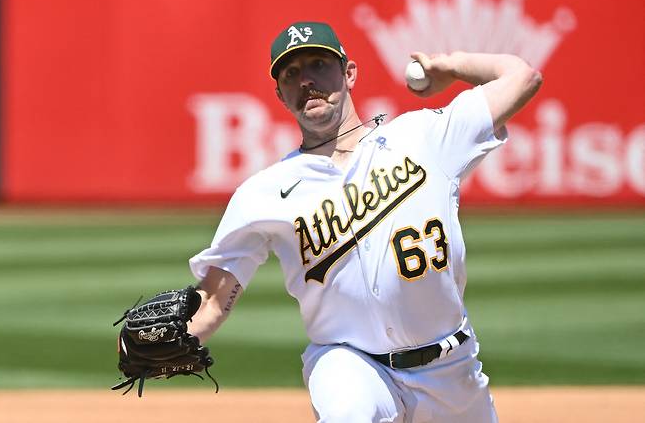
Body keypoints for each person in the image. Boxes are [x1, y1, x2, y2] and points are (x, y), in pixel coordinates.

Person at [187, 21, 542, 422]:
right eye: (291, 73)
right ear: (280, 94)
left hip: (451, 369)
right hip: (350, 362)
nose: (306, 80)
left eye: (319, 64)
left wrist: (452, 65)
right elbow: (215, 300)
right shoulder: (264, 192)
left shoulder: (425, 136)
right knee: (348, 411)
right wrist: (164, 340)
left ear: (349, 73)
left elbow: (522, 76)